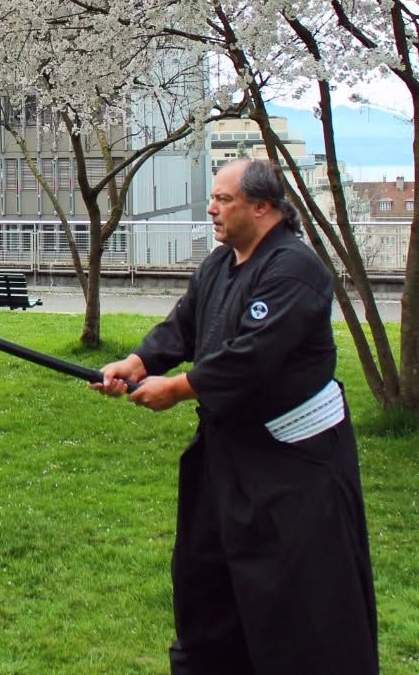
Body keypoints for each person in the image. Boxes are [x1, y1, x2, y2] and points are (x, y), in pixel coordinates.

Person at [94, 158, 378, 675]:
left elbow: (252, 357)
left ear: (262, 207)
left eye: (223, 200)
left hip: (294, 468)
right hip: (224, 459)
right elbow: (182, 327)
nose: (211, 208)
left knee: (298, 600)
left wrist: (179, 388)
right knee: (207, 583)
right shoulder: (218, 266)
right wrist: (136, 363)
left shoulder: (296, 271)